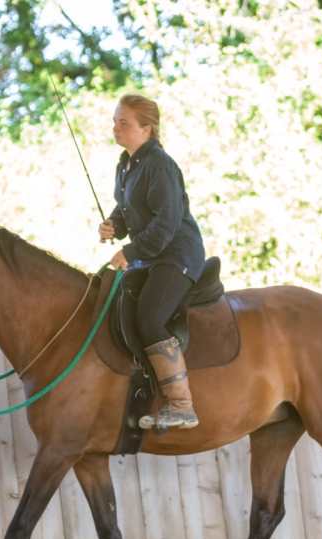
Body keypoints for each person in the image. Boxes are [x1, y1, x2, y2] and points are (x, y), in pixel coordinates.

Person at [99, 94, 206, 430]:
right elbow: (129, 209)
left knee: (149, 317)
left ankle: (182, 405)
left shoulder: (160, 165)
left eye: (124, 122)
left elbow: (166, 223)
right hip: (151, 255)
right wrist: (114, 225)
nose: (115, 127)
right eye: (115, 120)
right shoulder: (125, 164)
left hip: (177, 254)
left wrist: (130, 252)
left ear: (147, 128)